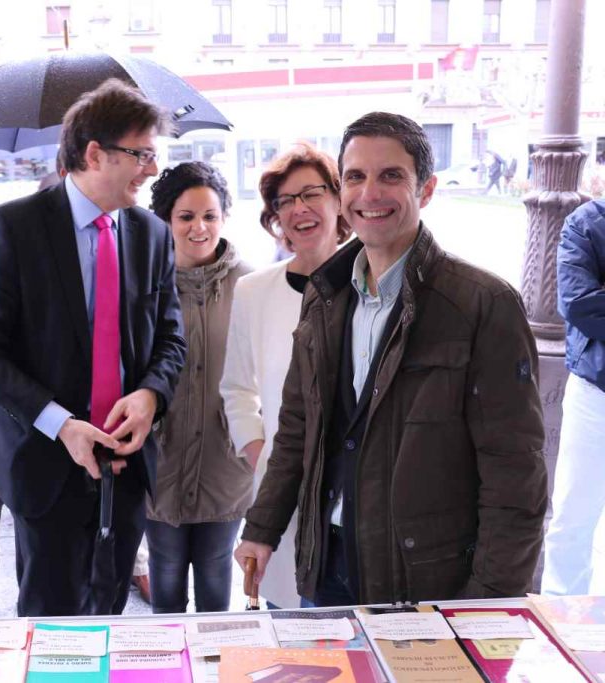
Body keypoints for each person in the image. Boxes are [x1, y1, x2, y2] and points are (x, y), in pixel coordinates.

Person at [234, 112, 547, 607]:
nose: (369, 194)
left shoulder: (480, 304)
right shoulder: (326, 295)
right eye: (355, 177)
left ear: (425, 190)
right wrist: (262, 528)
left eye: (391, 176)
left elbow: (515, 476)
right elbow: (297, 428)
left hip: (424, 583)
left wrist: (490, 603)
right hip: (328, 566)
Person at [0, 79, 186, 617]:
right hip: (45, 463)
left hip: (128, 462)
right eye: (142, 154)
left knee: (111, 612)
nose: (152, 169)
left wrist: (152, 395)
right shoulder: (14, 227)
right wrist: (61, 423)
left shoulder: (151, 233)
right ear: (94, 154)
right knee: (52, 624)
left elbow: (172, 339)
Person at [219, 143, 350, 608]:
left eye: (311, 193)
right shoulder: (254, 291)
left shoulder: (369, 283)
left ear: (339, 200)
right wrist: (262, 455)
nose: (299, 209)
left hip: (354, 494)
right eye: (284, 201)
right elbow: (236, 388)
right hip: (281, 490)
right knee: (289, 626)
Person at [144, 161, 252, 614]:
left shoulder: (250, 283)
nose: (199, 227)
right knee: (165, 571)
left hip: (224, 461)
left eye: (209, 215)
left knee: (215, 570)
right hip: (160, 462)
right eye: (186, 216)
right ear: (165, 220)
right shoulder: (144, 284)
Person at [543, 199, 605, 596]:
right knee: (572, 517)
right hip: (595, 392)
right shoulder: (586, 223)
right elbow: (579, 305)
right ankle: (560, 621)